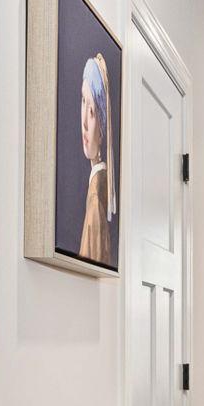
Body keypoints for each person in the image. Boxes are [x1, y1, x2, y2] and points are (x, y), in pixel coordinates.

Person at [77, 52, 115, 264]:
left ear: (102, 130)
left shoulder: (96, 197)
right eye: (82, 101)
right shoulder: (98, 186)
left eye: (91, 112)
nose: (83, 122)